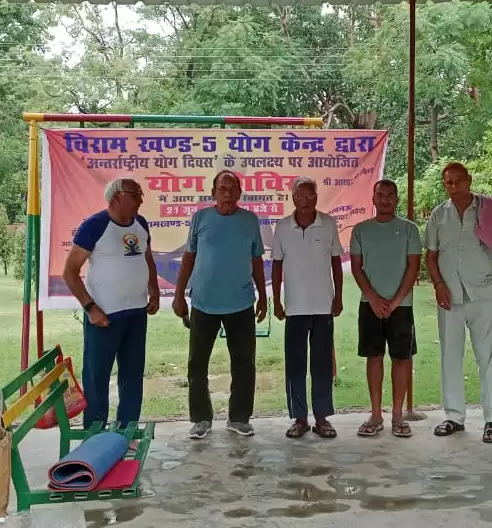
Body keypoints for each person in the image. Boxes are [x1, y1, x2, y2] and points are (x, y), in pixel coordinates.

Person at [172, 170, 267, 439]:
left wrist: (263, 295)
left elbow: (257, 261)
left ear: (239, 193)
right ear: (213, 193)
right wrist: (179, 295)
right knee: (197, 364)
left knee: (244, 363)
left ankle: (239, 418)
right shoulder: (200, 218)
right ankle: (201, 419)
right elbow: (189, 258)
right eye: (221, 189)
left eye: (232, 188)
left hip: (241, 303)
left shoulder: (250, 221)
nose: (227, 193)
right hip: (203, 302)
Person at [425, 162, 492, 444]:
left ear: (468, 180)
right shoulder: (439, 214)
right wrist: (438, 284)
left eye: (457, 181)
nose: (452, 187)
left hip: (485, 293)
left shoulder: (488, 210)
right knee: (450, 356)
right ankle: (453, 416)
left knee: (489, 356)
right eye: (447, 183)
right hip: (449, 294)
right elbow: (430, 255)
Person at [61, 178, 159, 431]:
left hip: (137, 313)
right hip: (103, 317)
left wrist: (154, 290)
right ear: (116, 197)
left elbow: (147, 258)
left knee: (132, 374)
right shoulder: (94, 226)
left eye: (140, 194)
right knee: (97, 376)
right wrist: (90, 308)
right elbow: (70, 271)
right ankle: (94, 432)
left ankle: (126, 429)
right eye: (135, 193)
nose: (140, 199)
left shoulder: (141, 224)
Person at [271, 178, 343, 439]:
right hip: (295, 307)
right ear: (292, 198)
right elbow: (277, 265)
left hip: (323, 305)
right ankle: (299, 418)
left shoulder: (328, 224)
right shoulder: (282, 227)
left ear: (316, 197)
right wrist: (276, 300)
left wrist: (338, 297)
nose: (304, 200)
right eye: (299, 196)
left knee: (322, 364)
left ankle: (322, 418)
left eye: (309, 195)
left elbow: (336, 262)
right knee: (295, 365)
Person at [350, 179, 422, 438]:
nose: (385, 200)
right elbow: (357, 267)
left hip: (401, 306)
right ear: (373, 198)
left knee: (401, 359)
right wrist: (374, 297)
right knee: (374, 357)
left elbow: (414, 266)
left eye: (390, 195)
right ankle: (376, 414)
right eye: (380, 195)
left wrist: (395, 300)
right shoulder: (360, 230)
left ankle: (398, 416)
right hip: (370, 305)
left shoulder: (409, 230)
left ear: (397, 198)